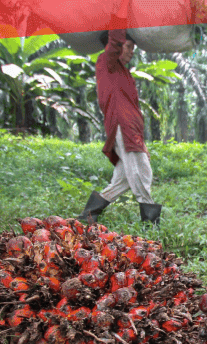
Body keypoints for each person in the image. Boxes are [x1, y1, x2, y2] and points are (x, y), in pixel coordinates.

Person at [77, 28, 162, 225]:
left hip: (129, 130)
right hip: (124, 127)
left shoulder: (123, 72)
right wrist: (119, 11)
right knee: (142, 173)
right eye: (129, 47)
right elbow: (114, 39)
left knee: (123, 179)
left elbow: (132, 108)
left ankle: (88, 215)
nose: (132, 51)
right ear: (115, 46)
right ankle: (151, 226)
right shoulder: (108, 63)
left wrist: (142, 144)